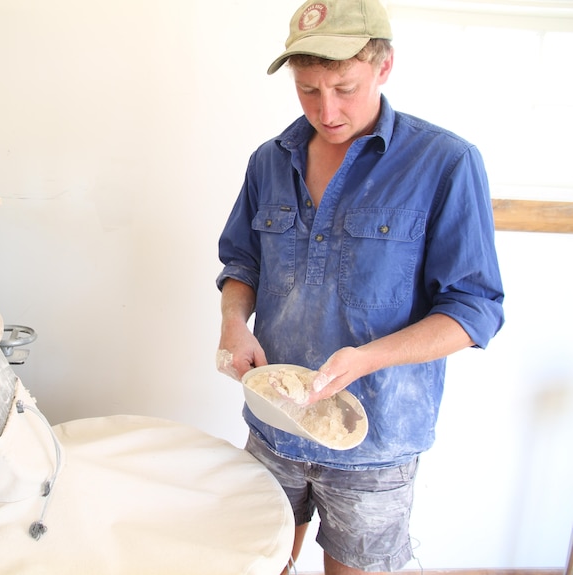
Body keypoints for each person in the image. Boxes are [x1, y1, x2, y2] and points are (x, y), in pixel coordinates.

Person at [215, 0, 505, 573]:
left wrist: (367, 359)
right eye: (308, 90)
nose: (327, 110)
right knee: (256, 562)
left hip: (377, 444)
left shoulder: (445, 162)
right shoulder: (269, 161)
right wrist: (232, 324)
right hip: (274, 425)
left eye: (345, 87)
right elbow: (241, 262)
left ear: (384, 67)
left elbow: (475, 309)